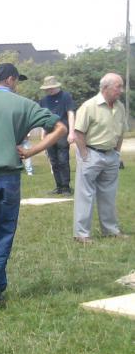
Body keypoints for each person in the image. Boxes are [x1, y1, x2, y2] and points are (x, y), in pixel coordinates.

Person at [0, 63, 66, 308]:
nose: (16, 84)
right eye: (16, 80)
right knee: (4, 232)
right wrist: (33, 150)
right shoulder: (23, 104)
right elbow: (60, 128)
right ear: (9, 79)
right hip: (9, 178)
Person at [71, 73, 128, 242]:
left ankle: (110, 230)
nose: (121, 90)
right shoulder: (89, 106)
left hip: (111, 156)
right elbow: (78, 132)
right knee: (85, 195)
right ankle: (81, 234)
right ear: (105, 88)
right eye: (118, 86)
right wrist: (85, 155)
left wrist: (117, 153)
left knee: (109, 195)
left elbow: (121, 131)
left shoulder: (120, 107)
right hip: (91, 154)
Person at [38, 76, 75, 195]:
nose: (49, 90)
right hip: (49, 134)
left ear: (56, 86)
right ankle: (58, 186)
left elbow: (70, 114)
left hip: (62, 133)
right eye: (47, 88)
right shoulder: (43, 100)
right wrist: (42, 134)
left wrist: (72, 132)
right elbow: (43, 119)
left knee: (63, 160)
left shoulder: (66, 96)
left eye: (51, 88)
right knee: (53, 161)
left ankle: (66, 187)